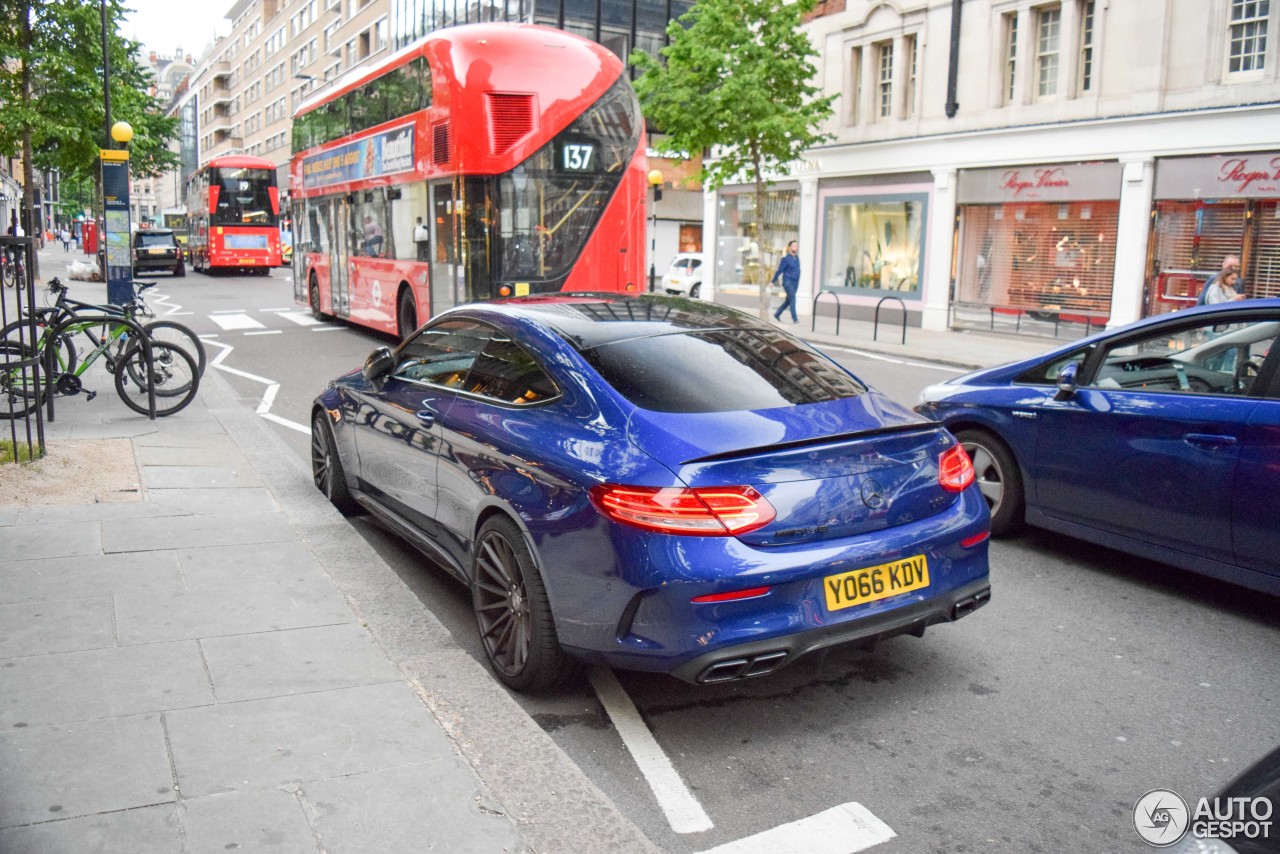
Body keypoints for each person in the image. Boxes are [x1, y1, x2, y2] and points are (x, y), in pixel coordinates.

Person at [771, 240, 801, 324]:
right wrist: (772, 281)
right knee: (793, 300)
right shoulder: (785, 259)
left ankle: (777, 314)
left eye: (796, 246)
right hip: (788, 282)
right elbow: (779, 270)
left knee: (788, 301)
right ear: (790, 247)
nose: (795, 247)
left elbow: (798, 271)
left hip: (795, 283)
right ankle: (795, 319)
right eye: (794, 246)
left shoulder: (797, 258)